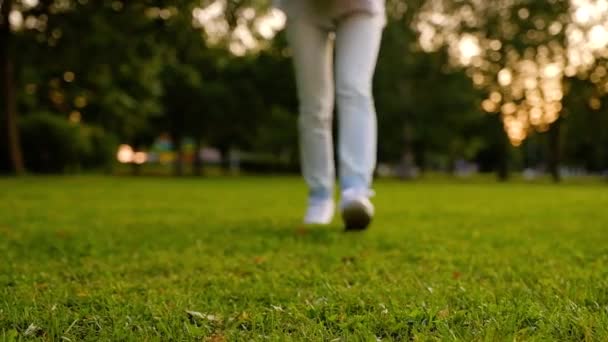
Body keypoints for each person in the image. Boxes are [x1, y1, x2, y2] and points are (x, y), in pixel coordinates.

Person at [276, 0, 386, 231]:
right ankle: (320, 197)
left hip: (361, 7)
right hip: (303, 8)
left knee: (354, 89)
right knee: (314, 106)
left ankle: (355, 191)